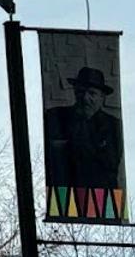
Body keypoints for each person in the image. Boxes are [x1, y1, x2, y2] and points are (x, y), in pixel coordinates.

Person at [43, 65, 123, 194]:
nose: (85, 98)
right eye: (81, 91)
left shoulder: (113, 126)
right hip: (62, 197)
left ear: (102, 97)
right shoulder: (55, 117)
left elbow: (109, 166)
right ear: (75, 92)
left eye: (92, 93)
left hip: (101, 200)